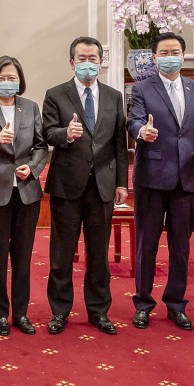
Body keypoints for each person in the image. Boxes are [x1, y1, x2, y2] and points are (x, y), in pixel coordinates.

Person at [42, 37, 128, 336]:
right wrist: (66, 133)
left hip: (103, 185)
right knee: (62, 253)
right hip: (67, 184)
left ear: (101, 61)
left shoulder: (114, 96)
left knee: (98, 254)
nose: (88, 62)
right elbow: (47, 134)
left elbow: (119, 142)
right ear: (71, 62)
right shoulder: (56, 94)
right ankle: (60, 311)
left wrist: (122, 183)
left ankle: (98, 311)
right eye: (82, 58)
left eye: (93, 58)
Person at [126, 32, 194, 332]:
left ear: (184, 55)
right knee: (146, 245)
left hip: (186, 180)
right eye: (164, 52)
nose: (170, 56)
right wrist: (141, 133)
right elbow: (133, 120)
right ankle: (143, 303)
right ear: (154, 57)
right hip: (151, 178)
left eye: (175, 51)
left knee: (180, 247)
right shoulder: (141, 89)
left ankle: (176, 304)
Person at [0, 56, 48, 336]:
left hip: (27, 191)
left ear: (20, 81)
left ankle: (22, 313)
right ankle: (0, 314)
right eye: (2, 78)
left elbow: (41, 146)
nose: (7, 82)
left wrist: (35, 167)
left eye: (12, 78)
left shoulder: (31, 108)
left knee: (23, 256)